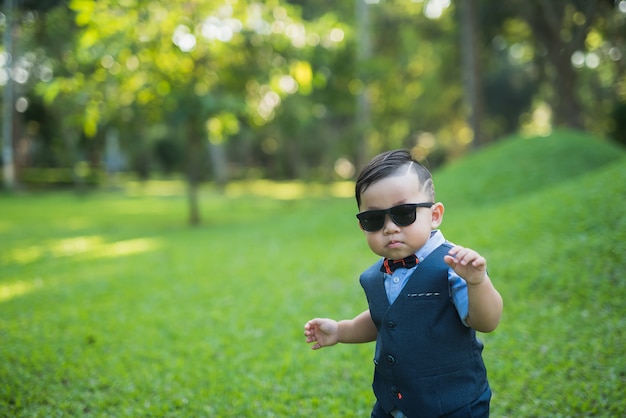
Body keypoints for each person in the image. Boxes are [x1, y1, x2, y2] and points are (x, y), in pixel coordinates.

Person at [304, 150, 503, 418]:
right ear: (362, 226)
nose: (389, 228)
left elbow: (487, 322)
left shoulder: (454, 265)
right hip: (393, 406)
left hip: (452, 405)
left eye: (404, 213)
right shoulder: (375, 275)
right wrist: (341, 330)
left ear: (434, 215)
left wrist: (477, 283)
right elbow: (384, 319)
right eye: (374, 219)